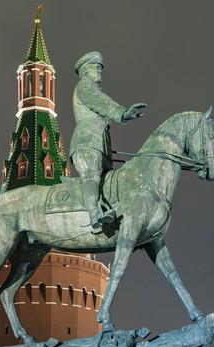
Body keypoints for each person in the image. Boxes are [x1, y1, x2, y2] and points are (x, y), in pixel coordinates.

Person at [70, 51, 147, 228]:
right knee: (92, 176)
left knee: (108, 182)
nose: (99, 70)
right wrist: (123, 113)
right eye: (95, 67)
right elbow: (102, 103)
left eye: (100, 68)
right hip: (87, 144)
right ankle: (94, 215)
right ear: (84, 71)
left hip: (100, 146)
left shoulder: (91, 87)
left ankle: (106, 210)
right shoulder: (85, 86)